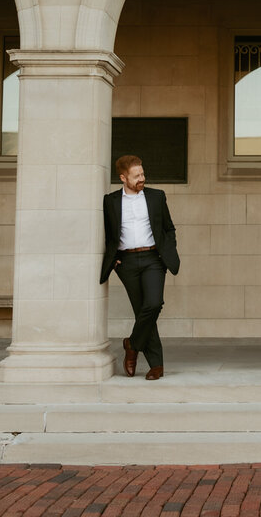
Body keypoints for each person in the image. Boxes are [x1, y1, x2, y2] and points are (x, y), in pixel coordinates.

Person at [100, 155, 180, 380]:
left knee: (154, 304)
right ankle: (156, 365)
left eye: (143, 174)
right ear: (123, 178)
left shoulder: (156, 197)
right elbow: (108, 234)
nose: (142, 179)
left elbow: (169, 228)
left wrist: (167, 251)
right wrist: (113, 259)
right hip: (126, 262)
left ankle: (132, 344)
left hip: (153, 259)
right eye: (137, 176)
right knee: (141, 310)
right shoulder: (111, 201)